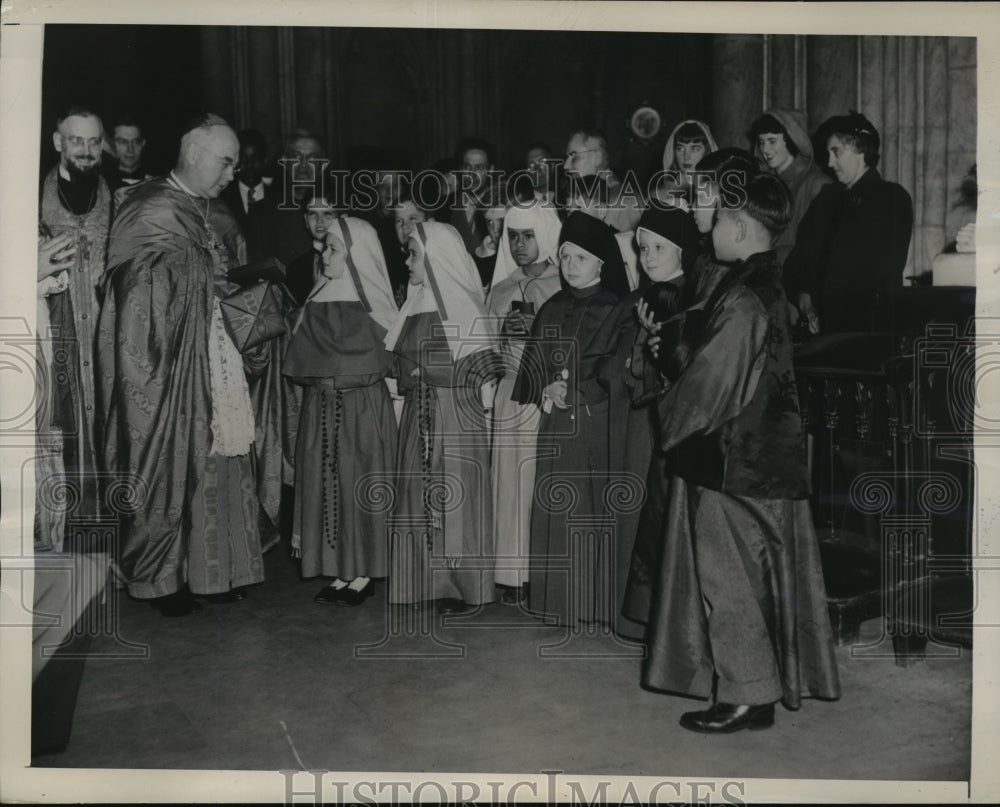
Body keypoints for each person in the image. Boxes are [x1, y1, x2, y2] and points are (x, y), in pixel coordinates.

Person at [636, 173, 840, 732]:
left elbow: (710, 385)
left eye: (719, 221)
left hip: (732, 459)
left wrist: (667, 413)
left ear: (741, 225)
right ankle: (754, 689)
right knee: (745, 577)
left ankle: (749, 695)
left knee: (727, 579)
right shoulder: (760, 284)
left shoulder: (745, 295)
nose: (711, 233)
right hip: (756, 455)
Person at [96, 114, 275, 616]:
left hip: (213, 350)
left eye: (235, 166)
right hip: (165, 361)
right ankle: (161, 577)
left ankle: (213, 571)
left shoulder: (211, 211)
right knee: (172, 457)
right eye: (225, 163)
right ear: (193, 153)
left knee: (221, 457)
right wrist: (202, 278)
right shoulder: (148, 207)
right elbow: (131, 292)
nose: (230, 175)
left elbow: (222, 272)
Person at [583, 205, 699, 640]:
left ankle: (658, 619)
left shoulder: (690, 300)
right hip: (626, 421)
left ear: (684, 252)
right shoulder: (634, 299)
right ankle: (624, 612)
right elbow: (602, 361)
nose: (648, 258)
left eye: (659, 249)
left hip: (662, 425)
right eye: (643, 248)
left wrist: (642, 360)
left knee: (658, 519)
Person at [513, 211, 628, 627]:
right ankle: (553, 601)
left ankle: (590, 603)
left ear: (601, 263)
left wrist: (577, 391)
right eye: (565, 256)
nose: (571, 265)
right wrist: (546, 387)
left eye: (581, 257)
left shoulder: (618, 309)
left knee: (585, 510)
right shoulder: (552, 307)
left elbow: (617, 372)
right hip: (555, 425)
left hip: (593, 425)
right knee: (553, 508)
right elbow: (533, 372)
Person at [385, 221, 504, 615]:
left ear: (436, 258)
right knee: (416, 497)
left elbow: (483, 365)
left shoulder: (464, 304)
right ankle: (423, 582)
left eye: (414, 253)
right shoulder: (415, 302)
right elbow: (399, 362)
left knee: (457, 500)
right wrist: (415, 373)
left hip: (454, 415)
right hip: (420, 413)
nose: (407, 260)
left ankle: (465, 587)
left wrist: (425, 371)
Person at [283, 213, 399, 606]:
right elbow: (298, 362)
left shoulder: (376, 307)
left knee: (359, 488)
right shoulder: (316, 299)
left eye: (333, 248)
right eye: (324, 246)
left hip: (362, 413)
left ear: (356, 255)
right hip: (322, 412)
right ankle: (337, 570)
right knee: (325, 489)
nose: (323, 254)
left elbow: (383, 362)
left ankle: (363, 572)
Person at [485, 199, 563, 604]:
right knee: (507, 483)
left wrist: (539, 329)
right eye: (512, 236)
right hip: (507, 393)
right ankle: (509, 573)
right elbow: (486, 343)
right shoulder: (501, 287)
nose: (519, 244)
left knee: (534, 481)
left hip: (542, 393)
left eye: (528, 235)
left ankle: (536, 573)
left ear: (545, 235)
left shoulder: (561, 285)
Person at [39, 106, 113, 529]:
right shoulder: (31, 193)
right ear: (58, 142)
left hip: (106, 332)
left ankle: (114, 537)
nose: (86, 150)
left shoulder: (118, 194)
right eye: (76, 140)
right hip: (55, 333)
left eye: (92, 141)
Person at [783, 112, 913, 333]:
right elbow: (801, 254)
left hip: (867, 329)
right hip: (820, 328)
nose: (830, 162)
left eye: (836, 152)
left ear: (859, 149)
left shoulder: (891, 197)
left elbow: (883, 270)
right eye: (828, 154)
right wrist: (804, 295)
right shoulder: (827, 197)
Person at [749, 109, 831, 266]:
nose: (765, 150)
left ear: (792, 140)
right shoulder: (764, 184)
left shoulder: (818, 184)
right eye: (761, 142)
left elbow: (820, 250)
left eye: (772, 141)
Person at [246, 128, 327, 266]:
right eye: (296, 157)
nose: (303, 165)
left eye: (312, 158)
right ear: (284, 162)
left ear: (323, 166)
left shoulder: (337, 213)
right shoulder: (261, 213)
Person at [563, 129, 642, 233]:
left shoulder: (623, 200)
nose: (566, 166)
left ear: (597, 158)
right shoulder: (581, 193)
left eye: (574, 156)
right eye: (567, 158)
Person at [654, 119, 718, 207]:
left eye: (695, 149)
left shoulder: (717, 194)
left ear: (707, 151)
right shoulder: (657, 196)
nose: (686, 156)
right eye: (680, 148)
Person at [222, 128, 272, 231]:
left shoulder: (277, 197)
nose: (249, 165)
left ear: (264, 161)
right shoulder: (223, 197)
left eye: (255, 158)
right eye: (243, 159)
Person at [102, 114, 152, 193]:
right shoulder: (100, 186)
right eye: (123, 142)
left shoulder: (156, 185)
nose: (130, 149)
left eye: (136, 142)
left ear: (143, 143)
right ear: (111, 144)